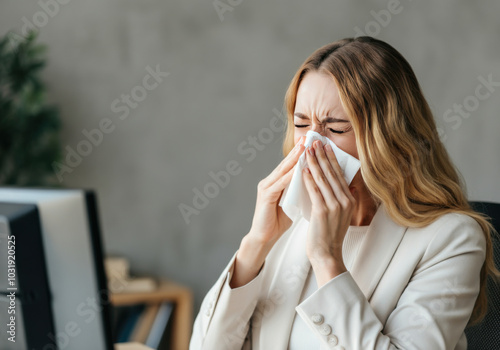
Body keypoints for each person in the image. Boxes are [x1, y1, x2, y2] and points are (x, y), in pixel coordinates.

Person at [189, 36, 499, 350]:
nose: (311, 145)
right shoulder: (291, 220)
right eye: (301, 124)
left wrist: (327, 259)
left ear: (390, 137)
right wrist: (256, 244)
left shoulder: (451, 238)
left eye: (335, 128)